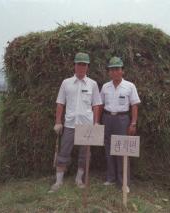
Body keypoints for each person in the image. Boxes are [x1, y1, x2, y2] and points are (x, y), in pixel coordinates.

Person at [49, 52, 102, 193]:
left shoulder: (93, 84)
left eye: (84, 65)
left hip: (87, 126)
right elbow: (60, 103)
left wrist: (96, 123)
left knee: (85, 154)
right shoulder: (66, 83)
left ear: (87, 67)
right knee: (64, 152)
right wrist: (58, 122)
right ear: (74, 65)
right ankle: (58, 181)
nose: (81, 67)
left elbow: (96, 105)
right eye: (79, 64)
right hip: (70, 124)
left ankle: (79, 179)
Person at [100, 56, 141, 192]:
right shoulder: (105, 87)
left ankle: (124, 182)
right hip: (107, 118)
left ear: (122, 71)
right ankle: (111, 178)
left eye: (117, 69)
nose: (114, 72)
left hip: (123, 120)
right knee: (108, 148)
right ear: (109, 72)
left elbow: (134, 105)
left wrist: (133, 123)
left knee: (122, 149)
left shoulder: (130, 86)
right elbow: (100, 105)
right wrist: (98, 121)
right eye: (111, 70)